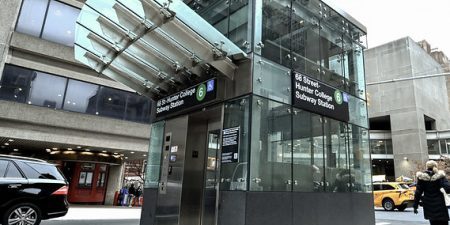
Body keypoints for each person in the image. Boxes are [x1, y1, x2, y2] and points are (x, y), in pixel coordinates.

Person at [413, 160, 450, 225]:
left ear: (427, 167)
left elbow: (418, 193)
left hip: (429, 206)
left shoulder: (422, 178)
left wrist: (415, 206)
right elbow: (448, 188)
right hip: (440, 206)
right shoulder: (440, 176)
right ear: (436, 166)